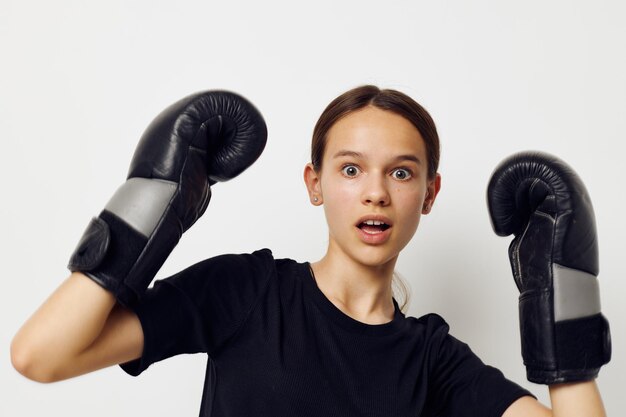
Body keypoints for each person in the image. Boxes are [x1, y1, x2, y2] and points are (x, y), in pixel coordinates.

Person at [11, 86, 609, 416]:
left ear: (428, 196)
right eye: (351, 169)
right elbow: (41, 356)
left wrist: (564, 291)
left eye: (402, 175)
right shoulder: (245, 292)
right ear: (314, 182)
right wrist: (148, 204)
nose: (375, 192)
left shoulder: (432, 357)